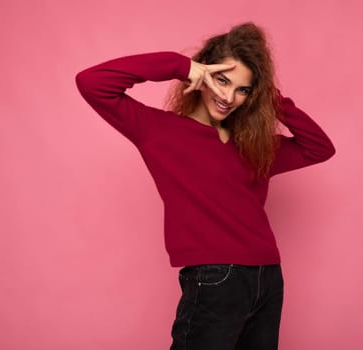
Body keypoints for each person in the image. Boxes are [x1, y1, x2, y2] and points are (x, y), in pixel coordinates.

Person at [75, 22, 335, 350]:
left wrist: (269, 96)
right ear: (203, 74)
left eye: (243, 89)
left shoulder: (253, 145)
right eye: (221, 80)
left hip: (268, 277)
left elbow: (320, 148)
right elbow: (92, 83)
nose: (228, 97)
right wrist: (180, 66)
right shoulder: (159, 132)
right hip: (217, 278)